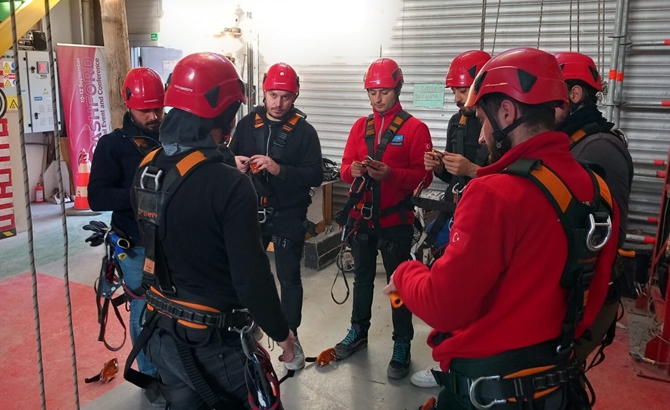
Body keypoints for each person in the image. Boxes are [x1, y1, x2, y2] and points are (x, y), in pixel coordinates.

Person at [385, 48, 620, 409]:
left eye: (483, 119)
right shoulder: (596, 189)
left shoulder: (495, 193)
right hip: (558, 386)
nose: (481, 137)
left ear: (507, 112)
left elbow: (444, 306)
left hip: (490, 391)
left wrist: (405, 273)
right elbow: (595, 297)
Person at [128, 52, 295, 409]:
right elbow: (251, 277)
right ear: (225, 114)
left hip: (161, 333)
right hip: (214, 344)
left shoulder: (147, 169)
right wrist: (283, 335)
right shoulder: (229, 185)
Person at [336, 57, 433, 379]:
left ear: (398, 89)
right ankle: (358, 331)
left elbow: (423, 177)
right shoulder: (359, 128)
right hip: (363, 220)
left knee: (397, 286)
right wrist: (355, 171)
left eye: (384, 92)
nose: (378, 99)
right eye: (372, 92)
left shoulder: (415, 128)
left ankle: (402, 342)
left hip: (395, 223)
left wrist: (391, 174)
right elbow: (344, 168)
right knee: (363, 278)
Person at [228, 62, 323, 371]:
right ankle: (250, 326)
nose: (278, 103)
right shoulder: (246, 125)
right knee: (248, 273)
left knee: (288, 277)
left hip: (287, 214)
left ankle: (291, 337)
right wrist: (236, 164)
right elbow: (228, 158)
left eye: (285, 97)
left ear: (294, 97)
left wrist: (279, 169)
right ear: (264, 94)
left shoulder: (304, 132)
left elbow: (315, 175)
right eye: (273, 95)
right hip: (251, 213)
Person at [412, 50, 491, 388]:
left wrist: (474, 170)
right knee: (449, 288)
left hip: (486, 220)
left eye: (462, 91)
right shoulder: (457, 121)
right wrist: (439, 165)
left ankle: (470, 368)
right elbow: (451, 173)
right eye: (455, 92)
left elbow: (513, 176)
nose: (458, 100)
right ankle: (447, 363)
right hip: (457, 213)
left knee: (478, 298)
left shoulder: (498, 124)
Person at [555, 51, 633, 367]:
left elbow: (604, 236)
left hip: (587, 293)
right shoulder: (575, 141)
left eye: (552, 97)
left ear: (574, 94)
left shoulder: (598, 147)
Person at [88, 67, 164, 384]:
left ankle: (171, 363)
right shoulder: (113, 145)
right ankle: (148, 372)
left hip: (170, 238)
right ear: (129, 105)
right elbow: (97, 196)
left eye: (158, 108)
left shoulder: (173, 137)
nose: (153, 116)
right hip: (134, 243)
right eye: (145, 110)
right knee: (143, 307)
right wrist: (137, 196)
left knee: (175, 304)